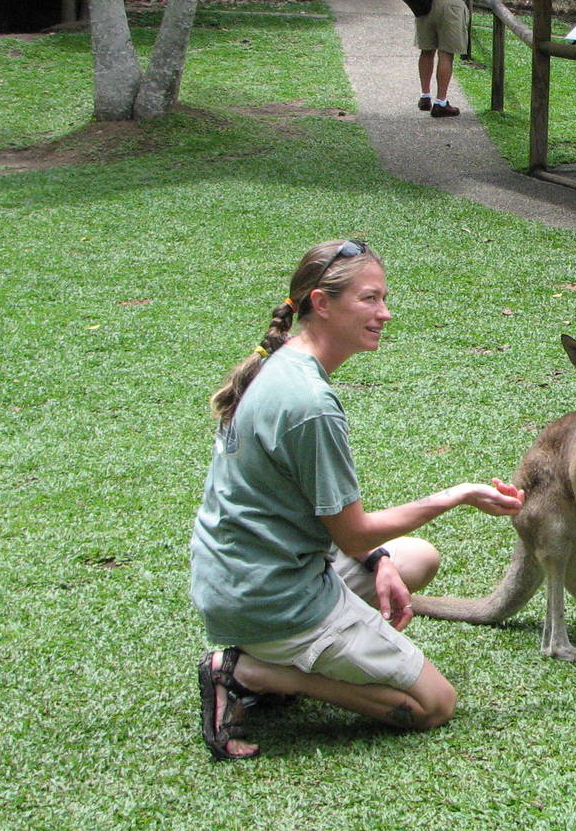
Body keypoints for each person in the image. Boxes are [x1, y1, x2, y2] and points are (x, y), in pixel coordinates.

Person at [190, 239, 523, 760]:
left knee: (413, 558)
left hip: (234, 579)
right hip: (274, 600)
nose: (384, 313)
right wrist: (456, 495)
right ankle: (254, 672)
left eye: (383, 298)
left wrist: (377, 560)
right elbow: (352, 533)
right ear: (322, 303)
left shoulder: (279, 363)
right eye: (370, 299)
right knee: (434, 704)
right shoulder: (310, 404)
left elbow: (323, 521)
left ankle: (272, 655)